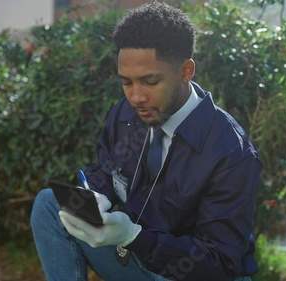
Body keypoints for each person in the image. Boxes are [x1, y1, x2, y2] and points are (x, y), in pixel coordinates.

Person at [30, 2, 261, 280]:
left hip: (192, 274)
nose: (136, 97)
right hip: (139, 261)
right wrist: (94, 195)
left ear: (186, 71)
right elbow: (106, 171)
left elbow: (220, 263)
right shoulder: (126, 114)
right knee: (49, 205)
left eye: (150, 82)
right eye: (127, 82)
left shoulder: (231, 153)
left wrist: (134, 237)